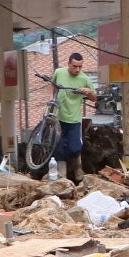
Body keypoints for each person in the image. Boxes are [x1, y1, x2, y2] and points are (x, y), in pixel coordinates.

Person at [52, 51, 98, 181]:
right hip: (59, 117)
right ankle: (62, 175)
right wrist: (54, 98)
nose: (77, 69)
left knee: (74, 147)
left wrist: (88, 92)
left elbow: (95, 98)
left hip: (74, 119)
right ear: (68, 64)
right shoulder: (59, 72)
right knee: (58, 146)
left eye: (80, 67)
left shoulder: (84, 79)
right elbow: (54, 85)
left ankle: (77, 166)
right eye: (74, 66)